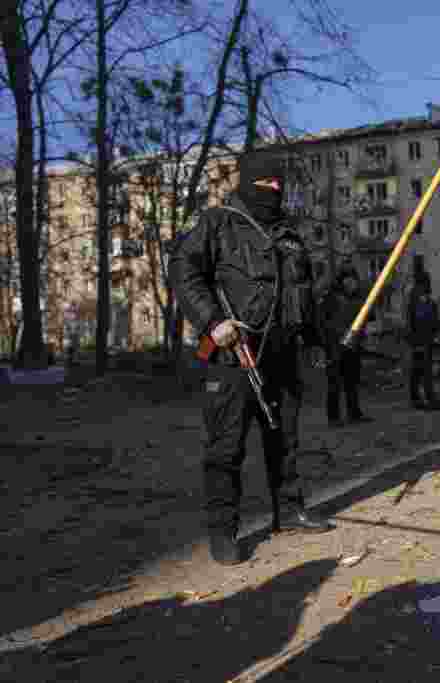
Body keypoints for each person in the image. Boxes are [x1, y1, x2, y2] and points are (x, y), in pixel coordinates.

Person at [169, 148, 335, 567]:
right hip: (232, 354)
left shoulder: (289, 234)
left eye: (279, 183)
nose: (274, 189)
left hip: (282, 354)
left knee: (285, 439)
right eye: (266, 182)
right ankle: (224, 532)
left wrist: (313, 340)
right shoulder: (217, 222)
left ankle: (290, 510)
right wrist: (211, 321)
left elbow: (303, 292)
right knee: (226, 447)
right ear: (247, 182)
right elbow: (183, 270)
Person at [319, 269, 373, 427]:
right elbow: (321, 321)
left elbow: (363, 321)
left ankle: (354, 413)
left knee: (352, 382)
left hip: (352, 346)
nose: (352, 284)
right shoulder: (331, 298)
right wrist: (325, 344)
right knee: (334, 383)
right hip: (334, 346)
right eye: (348, 280)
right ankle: (333, 417)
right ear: (342, 282)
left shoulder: (358, 299)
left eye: (354, 280)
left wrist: (361, 338)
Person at [406, 277, 440, 410]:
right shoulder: (418, 305)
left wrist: (434, 332)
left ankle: (418, 399)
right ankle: (429, 399)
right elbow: (415, 325)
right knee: (423, 372)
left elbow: (434, 321)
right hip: (421, 342)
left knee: (418, 372)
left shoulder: (425, 304)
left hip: (423, 341)